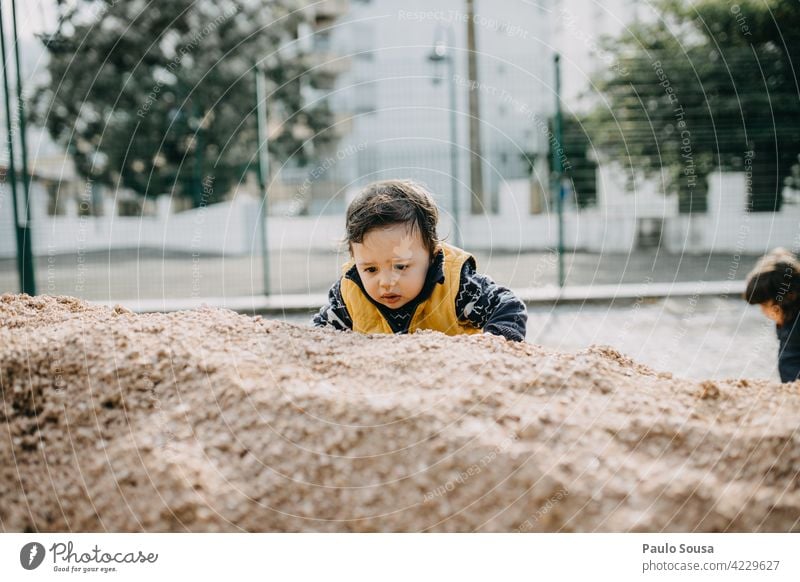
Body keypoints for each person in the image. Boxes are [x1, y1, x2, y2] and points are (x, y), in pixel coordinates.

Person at [313, 179, 528, 341]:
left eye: (400, 266)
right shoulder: (349, 295)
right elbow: (320, 334)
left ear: (432, 255)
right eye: (370, 269)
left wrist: (493, 344)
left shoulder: (456, 286)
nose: (386, 281)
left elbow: (508, 307)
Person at [744, 247, 800, 382]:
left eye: (764, 305)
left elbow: (791, 361)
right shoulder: (788, 319)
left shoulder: (795, 327)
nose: (763, 312)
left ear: (789, 297)